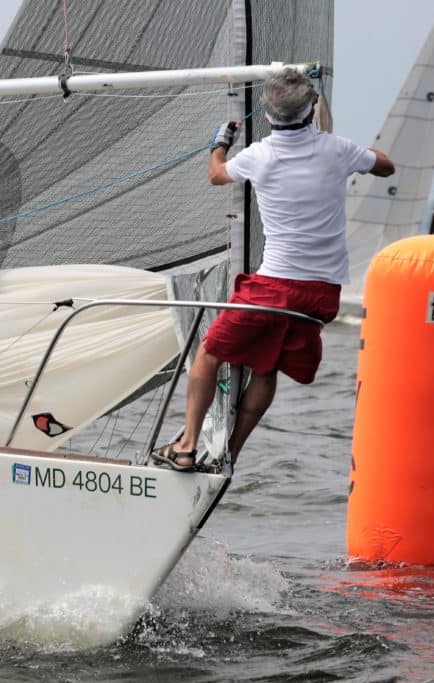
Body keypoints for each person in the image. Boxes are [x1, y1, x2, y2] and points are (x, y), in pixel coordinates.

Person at [151, 68, 394, 472]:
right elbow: (386, 167)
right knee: (265, 366)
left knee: (208, 353)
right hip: (322, 294)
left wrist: (219, 144)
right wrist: (357, 155)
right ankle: (230, 454)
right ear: (311, 110)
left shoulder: (258, 155)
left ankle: (187, 446)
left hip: (274, 286)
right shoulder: (338, 149)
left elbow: (216, 175)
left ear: (266, 116)